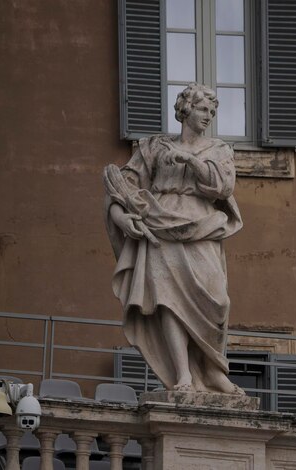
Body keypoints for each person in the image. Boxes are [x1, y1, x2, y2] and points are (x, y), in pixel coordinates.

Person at [103, 83, 243, 394]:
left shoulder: (219, 150)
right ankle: (183, 374)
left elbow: (224, 188)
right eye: (203, 109)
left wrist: (190, 160)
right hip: (159, 225)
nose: (208, 116)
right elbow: (121, 186)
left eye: (212, 111)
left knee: (217, 300)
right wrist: (121, 218)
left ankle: (213, 368)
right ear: (185, 110)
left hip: (202, 226)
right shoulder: (153, 148)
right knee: (168, 301)